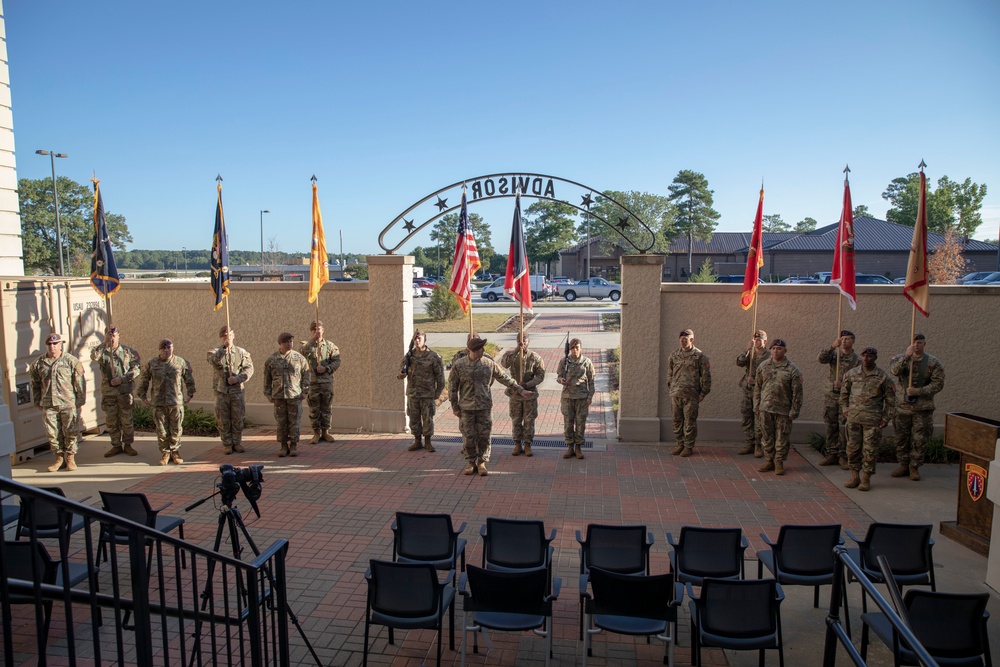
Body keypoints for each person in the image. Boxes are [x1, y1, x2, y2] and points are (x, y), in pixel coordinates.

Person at [448, 336, 533, 476]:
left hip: (484, 407)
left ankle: (481, 462)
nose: (483, 350)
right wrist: (455, 407)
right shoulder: (459, 365)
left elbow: (504, 378)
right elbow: (452, 387)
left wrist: (520, 390)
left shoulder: (488, 364)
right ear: (473, 350)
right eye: (481, 348)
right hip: (466, 408)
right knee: (468, 437)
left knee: (484, 436)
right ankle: (470, 462)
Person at [888, 333, 945, 482]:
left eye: (919, 342)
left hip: (922, 408)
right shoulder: (900, 359)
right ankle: (903, 465)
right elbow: (894, 371)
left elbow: (938, 384)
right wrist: (906, 357)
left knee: (920, 439)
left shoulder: (933, 362)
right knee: (901, 438)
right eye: (914, 342)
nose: (917, 345)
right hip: (902, 407)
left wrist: (918, 391)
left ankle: (914, 466)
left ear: (924, 344)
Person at [841, 347, 896, 492]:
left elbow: (891, 401)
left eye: (870, 356)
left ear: (875, 358)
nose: (866, 359)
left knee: (869, 451)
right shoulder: (851, 374)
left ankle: (866, 478)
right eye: (864, 356)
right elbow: (844, 395)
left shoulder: (883, 377)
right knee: (852, 449)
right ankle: (854, 476)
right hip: (853, 419)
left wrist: (886, 418)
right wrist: (845, 410)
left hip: (872, 421)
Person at [30, 333, 86, 472]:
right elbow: (35, 384)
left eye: (55, 344)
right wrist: (38, 401)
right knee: (52, 433)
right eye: (49, 344)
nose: (52, 346)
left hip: (67, 403)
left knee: (71, 431)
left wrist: (80, 400)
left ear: (61, 344)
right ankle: (59, 458)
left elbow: (79, 383)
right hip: (49, 405)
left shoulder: (71, 361)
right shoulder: (38, 363)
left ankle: (70, 459)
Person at [137, 339, 195, 466]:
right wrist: (143, 396)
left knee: (176, 429)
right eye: (164, 348)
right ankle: (165, 453)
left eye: (169, 348)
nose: (167, 350)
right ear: (160, 350)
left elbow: (189, 379)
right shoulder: (152, 363)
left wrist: (190, 395)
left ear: (172, 348)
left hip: (175, 402)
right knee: (161, 430)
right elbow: (144, 380)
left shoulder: (181, 362)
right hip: (159, 402)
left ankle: (175, 452)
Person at [90, 325, 141, 458]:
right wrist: (104, 342)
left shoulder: (128, 352)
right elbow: (94, 357)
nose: (112, 337)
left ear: (119, 335)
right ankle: (116, 445)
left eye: (114, 335)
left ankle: (128, 445)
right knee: (111, 421)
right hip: (109, 394)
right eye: (109, 334)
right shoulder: (102, 351)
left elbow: (136, 369)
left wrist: (122, 379)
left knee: (126, 421)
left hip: (124, 392)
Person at [753, 339, 803, 476]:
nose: (776, 351)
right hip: (765, 408)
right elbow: (757, 388)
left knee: (782, 438)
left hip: (783, 410)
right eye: (774, 348)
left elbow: (797, 393)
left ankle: (779, 462)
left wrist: (794, 411)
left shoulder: (793, 369)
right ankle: (769, 460)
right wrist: (756, 406)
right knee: (767, 436)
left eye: (779, 348)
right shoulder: (763, 366)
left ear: (785, 351)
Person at [207, 326, 255, 455]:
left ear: (234, 335)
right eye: (224, 335)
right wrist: (224, 348)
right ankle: (227, 444)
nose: (227, 336)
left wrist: (238, 378)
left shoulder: (241, 352)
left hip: (237, 392)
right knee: (223, 419)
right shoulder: (214, 352)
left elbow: (249, 369)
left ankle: (237, 442)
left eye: (229, 334)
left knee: (237, 418)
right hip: (221, 392)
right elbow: (212, 360)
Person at [817, 330, 860, 469]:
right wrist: (832, 346)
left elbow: (860, 379)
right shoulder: (835, 355)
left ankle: (843, 455)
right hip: (831, 396)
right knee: (831, 426)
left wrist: (844, 385)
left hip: (846, 398)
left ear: (853, 341)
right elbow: (821, 359)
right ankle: (831, 454)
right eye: (842, 338)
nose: (844, 341)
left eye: (847, 339)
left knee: (844, 428)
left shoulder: (857, 360)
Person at [397, 329, 445, 452]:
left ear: (425, 339)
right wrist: (401, 375)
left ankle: (428, 442)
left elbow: (440, 377)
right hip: (413, 394)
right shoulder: (409, 356)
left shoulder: (433, 357)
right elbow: (402, 370)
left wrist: (437, 392)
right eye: (415, 339)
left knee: (427, 418)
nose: (417, 341)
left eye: (419, 338)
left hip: (427, 394)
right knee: (414, 418)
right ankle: (417, 441)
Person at [667, 328, 712, 457]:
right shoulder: (674, 355)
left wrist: (703, 393)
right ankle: (679, 444)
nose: (682, 342)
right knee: (676, 420)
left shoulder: (700, 356)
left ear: (691, 340)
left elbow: (706, 377)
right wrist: (671, 389)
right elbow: (669, 374)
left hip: (691, 395)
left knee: (689, 421)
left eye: (685, 339)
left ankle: (688, 446)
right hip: (676, 394)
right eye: (681, 339)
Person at [264, 332, 310, 457]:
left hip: (294, 396)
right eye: (286, 342)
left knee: (294, 421)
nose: (289, 344)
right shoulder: (272, 360)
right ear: (280, 344)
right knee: (281, 422)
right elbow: (267, 379)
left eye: (291, 341)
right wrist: (268, 394)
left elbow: (306, 375)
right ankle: (283, 445)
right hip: (279, 396)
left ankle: (294, 445)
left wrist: (305, 391)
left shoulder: (299, 358)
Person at [500, 332, 546, 457]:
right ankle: (517, 444)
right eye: (520, 341)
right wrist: (516, 351)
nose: (522, 343)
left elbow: (540, 376)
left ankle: (527, 444)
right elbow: (504, 364)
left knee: (529, 420)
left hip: (529, 394)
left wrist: (528, 384)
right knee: (516, 419)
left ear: (528, 342)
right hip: (515, 394)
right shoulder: (512, 355)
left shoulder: (535, 358)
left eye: (524, 341)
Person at [300, 321, 341, 443]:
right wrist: (313, 340)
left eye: (318, 329)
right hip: (313, 382)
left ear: (323, 330)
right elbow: (301, 354)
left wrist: (326, 368)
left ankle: (326, 432)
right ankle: (316, 433)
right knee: (314, 408)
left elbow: (337, 361)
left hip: (326, 382)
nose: (316, 331)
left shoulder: (331, 346)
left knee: (326, 407)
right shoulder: (307, 345)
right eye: (313, 329)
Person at [556, 338, 595, 460]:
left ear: (581, 348)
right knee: (568, 424)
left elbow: (592, 382)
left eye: (577, 347)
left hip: (582, 398)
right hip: (567, 398)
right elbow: (558, 376)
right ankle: (569, 447)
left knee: (580, 424)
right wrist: (561, 380)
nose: (574, 350)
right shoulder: (564, 361)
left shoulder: (587, 362)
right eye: (572, 348)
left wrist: (590, 396)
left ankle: (578, 448)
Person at [735, 330, 767, 457]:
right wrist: (747, 350)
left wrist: (757, 382)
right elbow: (739, 362)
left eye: (759, 340)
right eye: (755, 340)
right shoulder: (750, 353)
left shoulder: (769, 356)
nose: (756, 342)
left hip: (761, 392)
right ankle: (750, 443)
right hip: (747, 391)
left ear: (765, 341)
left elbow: (773, 376)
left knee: (759, 419)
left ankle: (759, 445)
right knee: (746, 417)